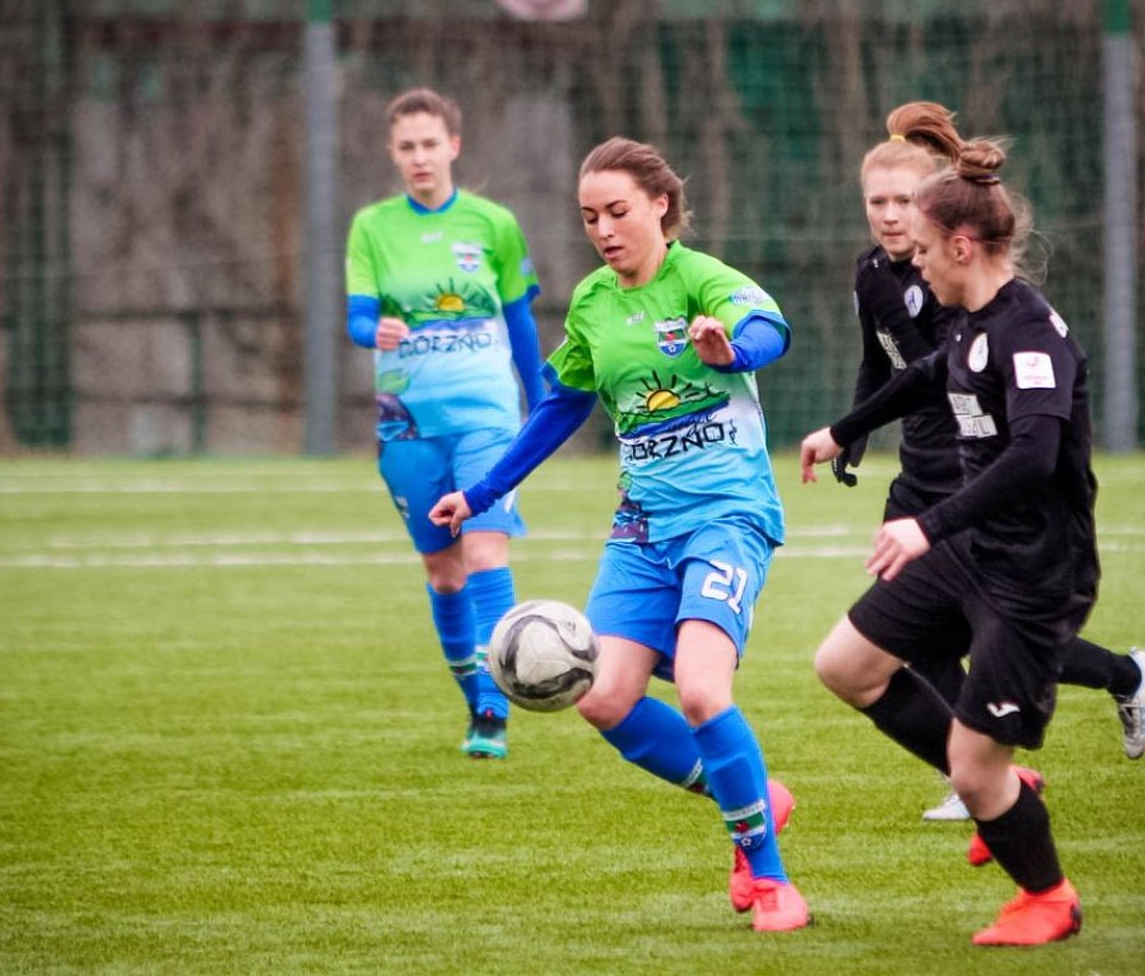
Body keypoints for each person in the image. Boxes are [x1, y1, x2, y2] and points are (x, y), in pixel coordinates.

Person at [430, 137, 810, 932]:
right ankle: (751, 800)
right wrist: (482, 493)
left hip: (725, 515)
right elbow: (561, 406)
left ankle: (772, 880)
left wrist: (729, 350)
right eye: (589, 217)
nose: (603, 230)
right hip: (641, 529)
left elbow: (771, 327)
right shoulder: (594, 302)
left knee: (702, 691)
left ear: (660, 206)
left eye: (617, 211)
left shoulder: (697, 276)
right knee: (601, 698)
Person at [800, 138, 1142, 945]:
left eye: (923, 250)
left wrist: (927, 525)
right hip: (970, 550)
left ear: (960, 246)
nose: (914, 265)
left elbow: (1034, 456)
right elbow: (922, 377)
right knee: (845, 665)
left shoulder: (1031, 333)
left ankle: (1048, 897)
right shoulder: (970, 323)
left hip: (1033, 571)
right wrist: (842, 429)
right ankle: (997, 791)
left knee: (972, 768)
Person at [838, 103, 1145, 823]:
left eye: (902, 202)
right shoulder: (873, 273)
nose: (889, 217)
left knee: (982, 630)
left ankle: (1017, 753)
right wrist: (850, 431)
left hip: (966, 476)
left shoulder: (969, 290)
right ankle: (983, 775)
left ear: (936, 215)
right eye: (875, 202)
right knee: (904, 634)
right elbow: (883, 364)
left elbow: (947, 379)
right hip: (916, 477)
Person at [344, 88, 546, 760]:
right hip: (407, 423)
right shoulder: (372, 228)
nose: (420, 157)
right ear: (392, 153)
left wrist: (542, 398)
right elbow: (357, 318)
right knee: (444, 573)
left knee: (485, 553)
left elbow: (519, 320)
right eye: (407, 147)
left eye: (431, 143)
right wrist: (375, 329)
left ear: (453, 146)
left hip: (488, 416)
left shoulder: (494, 224)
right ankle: (475, 697)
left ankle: (493, 707)